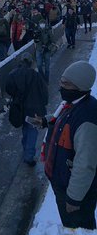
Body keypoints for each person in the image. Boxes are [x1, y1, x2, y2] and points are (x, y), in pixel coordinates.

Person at [43, 61, 97, 229]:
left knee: (77, 227)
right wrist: (45, 121)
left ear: (80, 86)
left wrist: (74, 198)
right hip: (62, 181)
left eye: (66, 84)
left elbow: (85, 164)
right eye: (61, 81)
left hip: (74, 193)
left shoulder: (87, 118)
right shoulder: (74, 103)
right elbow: (62, 117)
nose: (60, 87)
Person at [4, 57, 48, 167]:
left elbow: (8, 89)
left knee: (25, 129)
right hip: (34, 109)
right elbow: (44, 91)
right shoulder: (35, 75)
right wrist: (44, 102)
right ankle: (29, 156)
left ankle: (25, 149)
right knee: (32, 130)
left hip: (20, 108)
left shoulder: (13, 74)